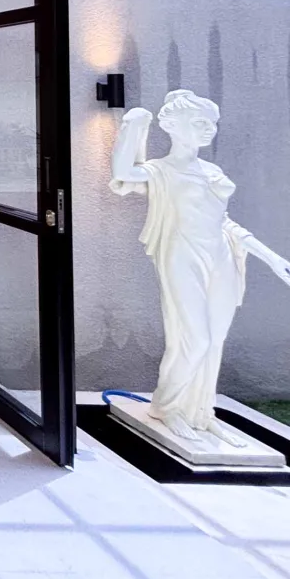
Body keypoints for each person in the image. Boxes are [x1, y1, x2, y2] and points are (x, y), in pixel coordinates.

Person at [110, 89, 290, 445]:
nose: (208, 129)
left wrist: (272, 258)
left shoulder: (212, 171)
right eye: (199, 122)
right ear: (174, 127)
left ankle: (200, 411)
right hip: (181, 254)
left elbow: (225, 222)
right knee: (194, 339)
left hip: (221, 255)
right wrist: (135, 125)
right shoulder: (160, 171)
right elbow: (122, 174)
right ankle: (165, 406)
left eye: (211, 123)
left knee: (215, 341)